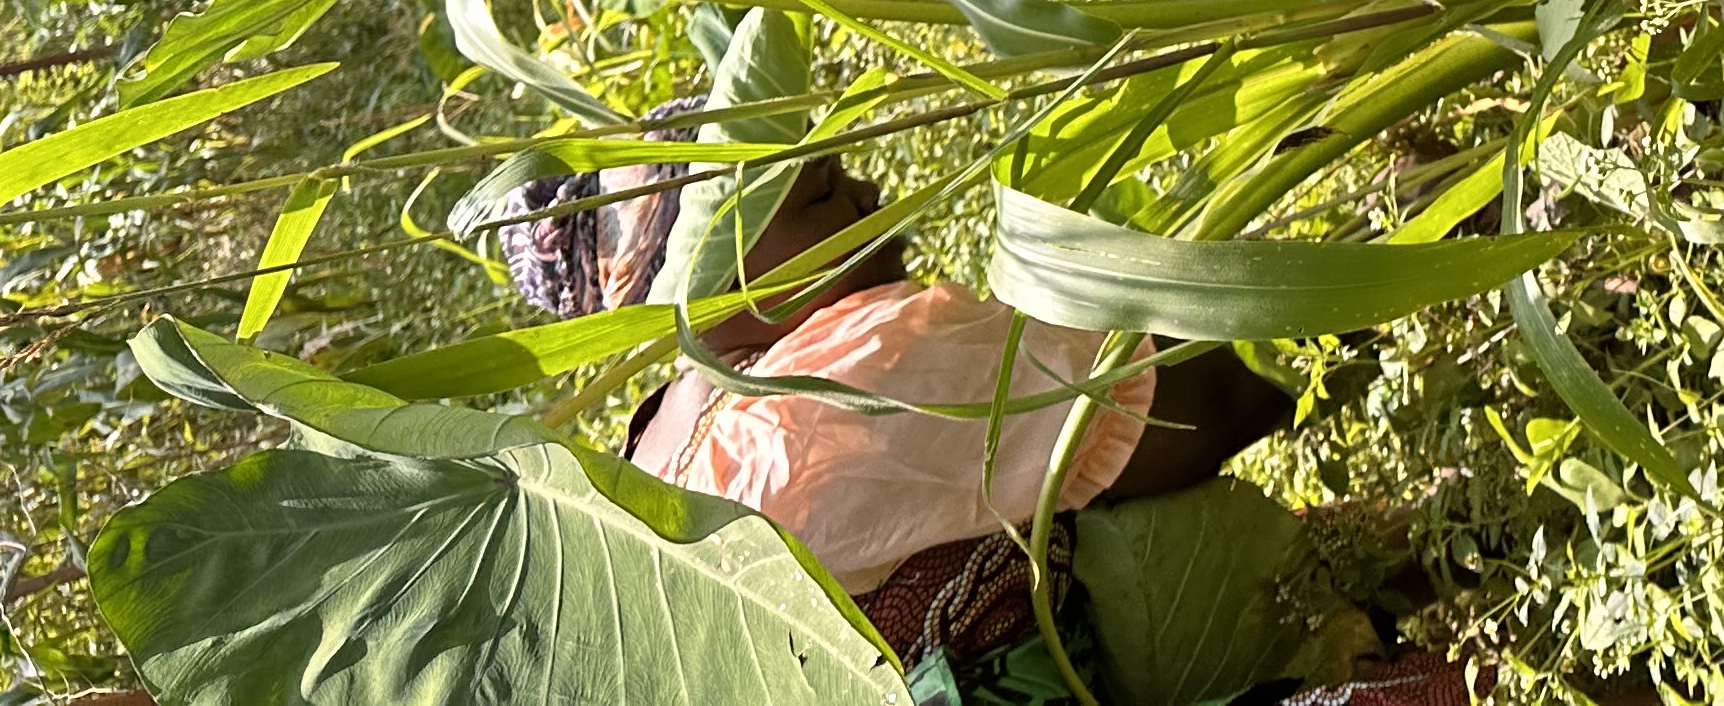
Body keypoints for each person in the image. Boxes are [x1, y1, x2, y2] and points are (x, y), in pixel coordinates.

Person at [494, 143, 1473, 702]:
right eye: (825, 194)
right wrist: (1422, 242)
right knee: (1467, 666)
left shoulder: (659, 445)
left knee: (1399, 548)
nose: (872, 195)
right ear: (722, 288)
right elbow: (1212, 399)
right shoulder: (835, 386)